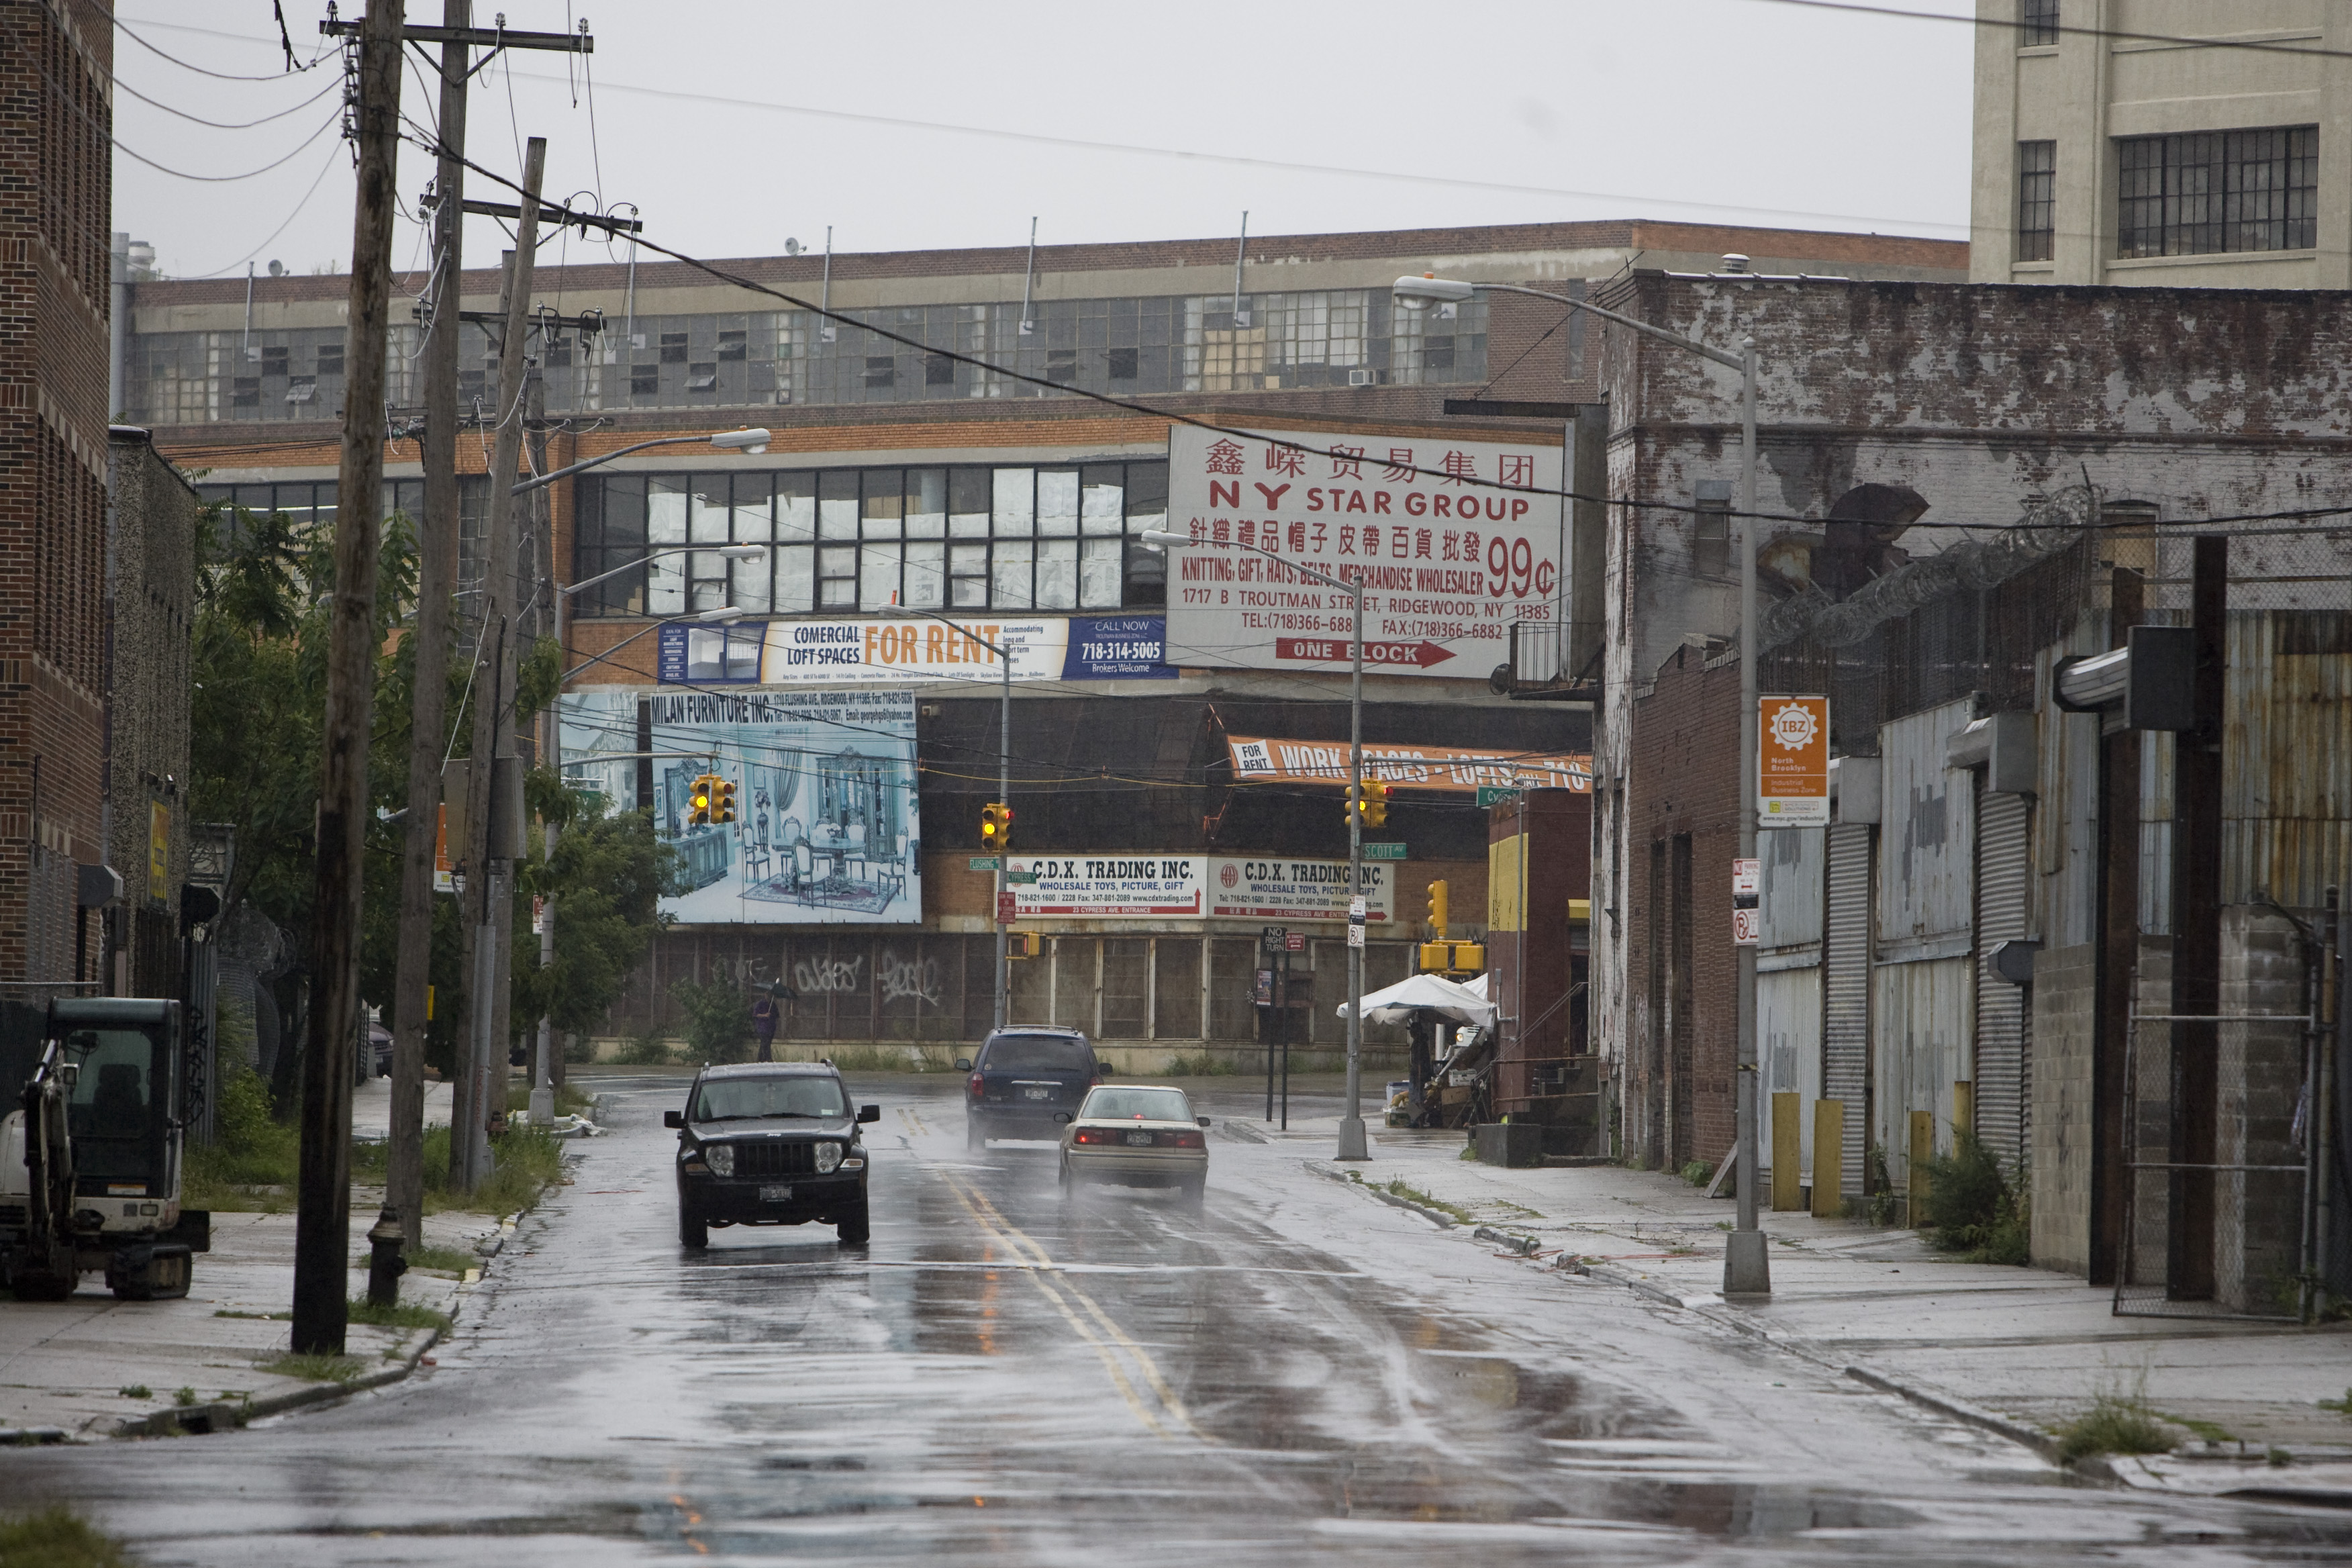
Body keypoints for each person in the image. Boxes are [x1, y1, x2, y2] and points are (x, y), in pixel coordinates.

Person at [752, 983, 779, 1063]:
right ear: (764, 994)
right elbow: (756, 1014)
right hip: (762, 1028)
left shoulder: (773, 1004)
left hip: (771, 1028)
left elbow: (777, 1015)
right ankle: (768, 1058)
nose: (768, 996)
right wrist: (765, 1015)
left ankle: (760, 1059)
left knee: (765, 1043)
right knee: (765, 1042)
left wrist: (772, 1015)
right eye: (767, 994)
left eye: (770, 994)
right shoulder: (760, 1004)